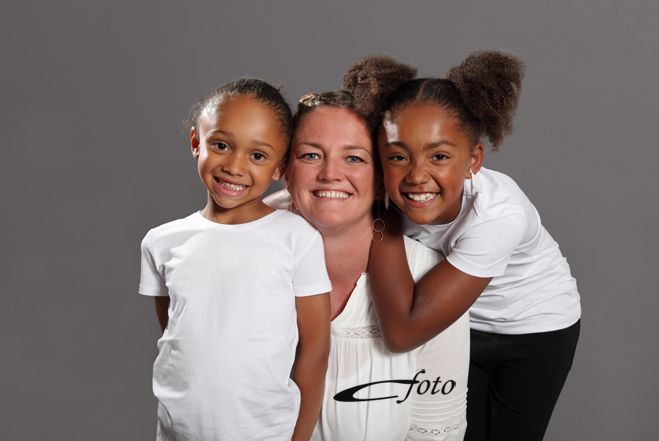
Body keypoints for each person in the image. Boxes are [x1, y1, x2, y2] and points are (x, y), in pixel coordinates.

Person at [358, 51, 581, 441]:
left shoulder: (497, 215)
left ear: (473, 160)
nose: (417, 176)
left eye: (440, 156)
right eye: (397, 156)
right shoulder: (380, 195)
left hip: (534, 329)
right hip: (458, 325)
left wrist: (385, 221)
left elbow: (403, 332)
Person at [266, 58, 470, 441]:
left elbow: (435, 433)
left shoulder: (429, 279)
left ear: (381, 181)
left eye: (355, 158)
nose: (330, 174)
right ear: (285, 170)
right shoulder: (247, 259)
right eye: (311, 155)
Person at [138, 78, 331, 441]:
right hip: (178, 432)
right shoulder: (161, 242)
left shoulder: (297, 239)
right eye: (222, 145)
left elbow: (315, 353)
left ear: (279, 167)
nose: (235, 166)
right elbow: (177, 336)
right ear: (197, 142)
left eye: (257, 156)